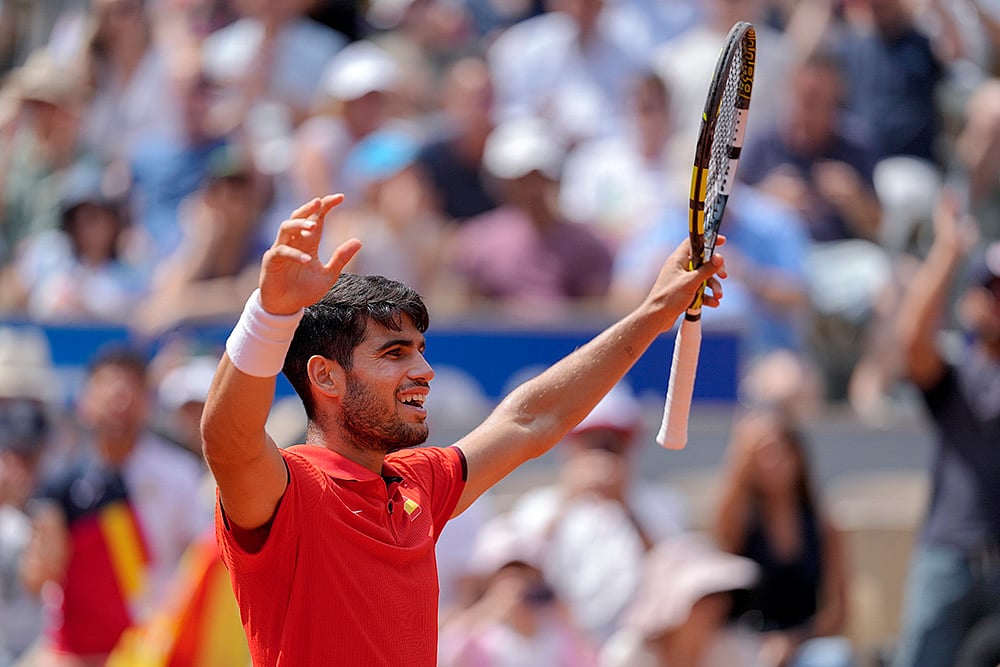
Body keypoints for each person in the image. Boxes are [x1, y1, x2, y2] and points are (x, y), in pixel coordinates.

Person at [200, 192, 727, 664]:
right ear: (325, 377)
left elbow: (533, 417)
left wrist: (655, 312)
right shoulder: (289, 489)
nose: (424, 372)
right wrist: (270, 314)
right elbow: (228, 440)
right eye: (395, 353)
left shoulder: (417, 485)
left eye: (421, 352)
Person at [19, 345, 209, 664]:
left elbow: (201, 556)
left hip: (154, 646)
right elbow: (38, 577)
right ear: (85, 402)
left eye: (130, 391)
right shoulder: (58, 481)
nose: (119, 402)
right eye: (108, 390)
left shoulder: (179, 474)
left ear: (147, 403)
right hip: (73, 649)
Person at [890, 191, 1000, 667]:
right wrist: (948, 251)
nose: (997, 301)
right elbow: (911, 339)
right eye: (991, 288)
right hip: (948, 555)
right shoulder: (955, 374)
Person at [506, 382, 688, 642]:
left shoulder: (662, 502)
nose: (601, 454)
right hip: (556, 647)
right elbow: (517, 578)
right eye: (591, 442)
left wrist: (625, 506)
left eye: (613, 444)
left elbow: (675, 577)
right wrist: (569, 499)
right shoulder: (538, 506)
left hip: (634, 643)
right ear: (571, 445)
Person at [714, 408, 854, 667]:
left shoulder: (823, 526)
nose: (773, 461)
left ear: (798, 455)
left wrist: (792, 641)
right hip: (745, 642)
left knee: (834, 659)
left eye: (781, 449)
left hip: (804, 643)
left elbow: (838, 611)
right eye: (761, 453)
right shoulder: (739, 522)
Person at [598, 532, 762, 667]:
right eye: (704, 598)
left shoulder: (733, 649)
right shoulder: (628, 656)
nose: (718, 606)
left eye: (720, 595)